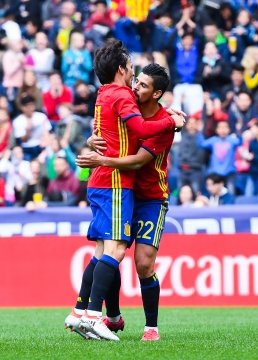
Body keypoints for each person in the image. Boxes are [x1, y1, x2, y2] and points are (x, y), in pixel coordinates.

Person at [65, 39, 185, 342]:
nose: (136, 84)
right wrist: (93, 141)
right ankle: (107, 316)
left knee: (141, 262)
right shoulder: (125, 100)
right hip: (121, 187)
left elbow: (137, 161)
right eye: (136, 77)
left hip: (149, 196)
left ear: (156, 93)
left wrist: (171, 120)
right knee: (111, 249)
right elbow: (102, 128)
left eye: (143, 84)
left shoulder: (161, 122)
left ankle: (150, 327)